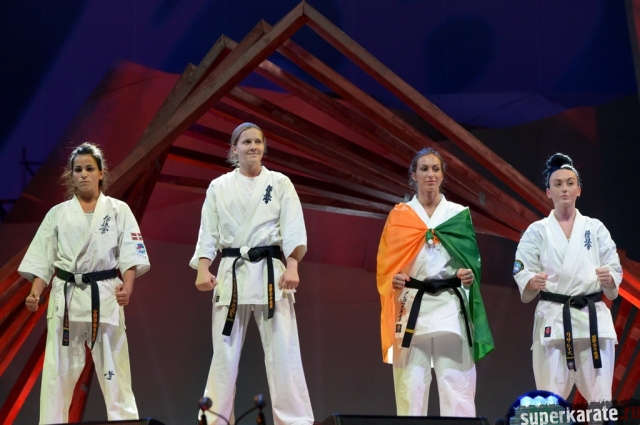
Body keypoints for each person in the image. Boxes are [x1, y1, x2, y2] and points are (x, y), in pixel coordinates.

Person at [190, 122, 314, 425]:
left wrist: (293, 265)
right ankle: (215, 420)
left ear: (264, 147)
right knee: (224, 355)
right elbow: (209, 231)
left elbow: (292, 226)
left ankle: (295, 421)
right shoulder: (218, 186)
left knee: (284, 352)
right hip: (232, 272)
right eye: (246, 142)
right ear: (234, 149)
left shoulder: (280, 183)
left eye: (258, 141)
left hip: (272, 273)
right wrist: (203, 268)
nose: (253, 147)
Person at [19, 142, 150, 424]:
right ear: (71, 175)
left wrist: (128, 287)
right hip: (66, 300)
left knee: (115, 374)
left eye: (89, 168)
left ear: (101, 173)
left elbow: (130, 254)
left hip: (104, 296)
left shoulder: (118, 210)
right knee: (57, 376)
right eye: (77, 170)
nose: (83, 174)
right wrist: (35, 292)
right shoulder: (57, 214)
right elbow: (43, 258)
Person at [376, 148, 494, 417]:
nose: (430, 174)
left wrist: (468, 275)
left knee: (457, 386)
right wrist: (394, 277)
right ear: (413, 175)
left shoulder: (458, 214)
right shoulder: (400, 215)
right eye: (424, 169)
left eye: (436, 169)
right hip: (411, 304)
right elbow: (387, 262)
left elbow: (471, 261)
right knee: (410, 388)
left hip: (450, 305)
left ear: (442, 176)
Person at [513, 153, 621, 402]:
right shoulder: (537, 231)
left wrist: (610, 278)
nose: (564, 188)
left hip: (592, 323)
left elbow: (614, 266)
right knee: (548, 403)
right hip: (554, 320)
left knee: (601, 403)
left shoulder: (595, 228)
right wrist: (530, 281)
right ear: (548, 192)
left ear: (578, 190)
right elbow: (521, 268)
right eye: (558, 183)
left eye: (570, 183)